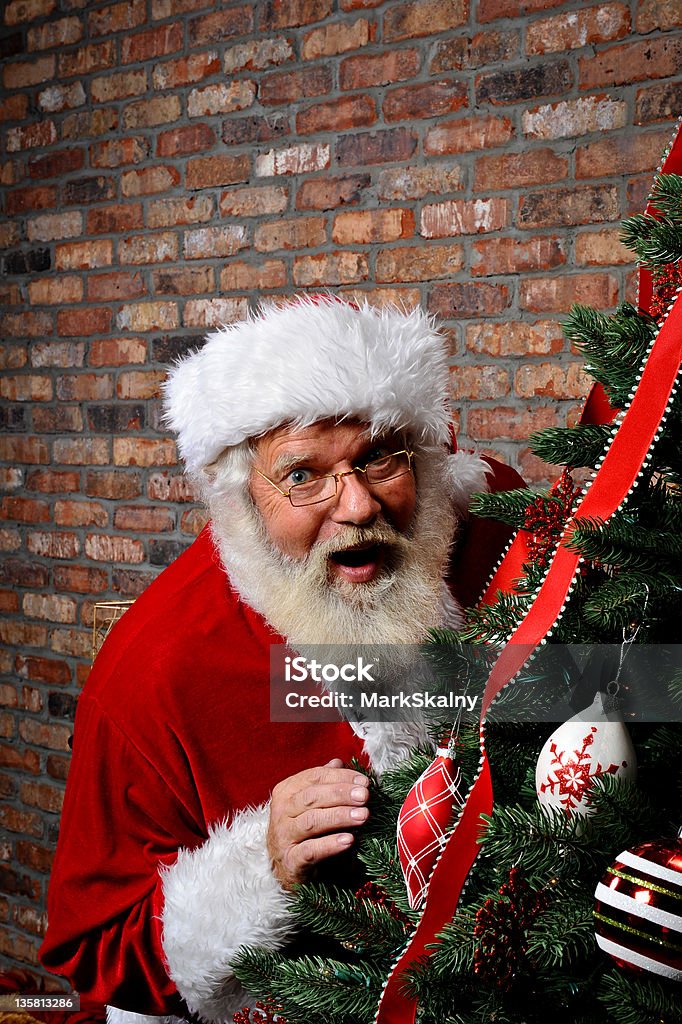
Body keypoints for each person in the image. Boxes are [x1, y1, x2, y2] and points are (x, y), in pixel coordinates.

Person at [40, 296, 523, 1024]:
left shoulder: (491, 529)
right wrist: (258, 869)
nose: (357, 506)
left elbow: (621, 687)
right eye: (302, 476)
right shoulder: (157, 669)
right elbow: (94, 952)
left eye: (377, 459)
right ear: (242, 498)